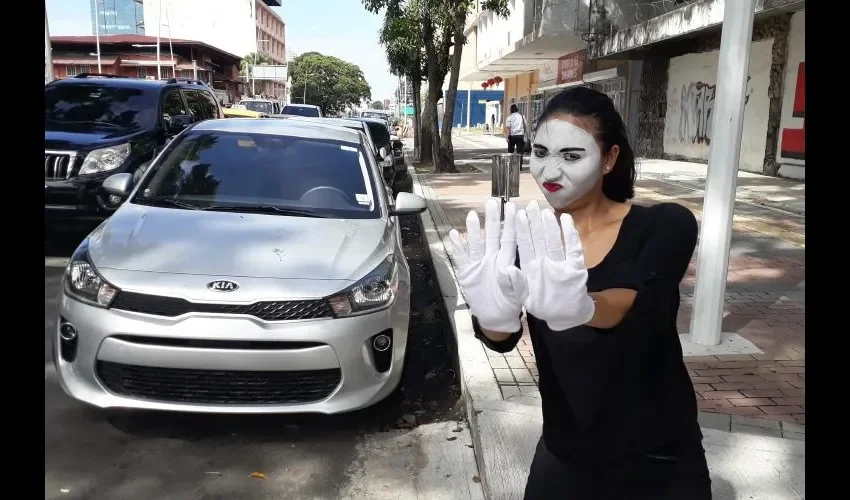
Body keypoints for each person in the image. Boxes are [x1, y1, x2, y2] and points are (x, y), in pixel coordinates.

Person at [449, 86, 710, 499]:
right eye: (540, 153)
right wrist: (492, 321)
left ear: (609, 159)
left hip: (658, 458)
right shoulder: (527, 241)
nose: (550, 172)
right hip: (566, 451)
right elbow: (503, 339)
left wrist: (583, 306)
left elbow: (631, 301)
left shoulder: (664, 225)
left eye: (572, 156)